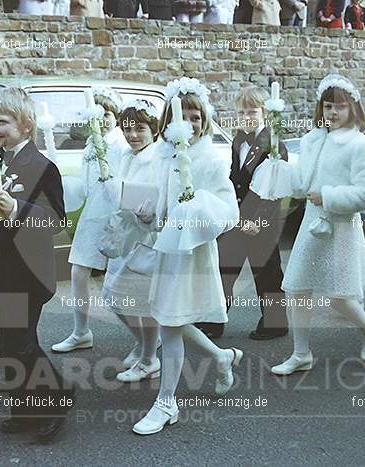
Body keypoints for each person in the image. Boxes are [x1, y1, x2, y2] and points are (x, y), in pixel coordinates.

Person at [0, 87, 74, 442]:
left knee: (22, 344)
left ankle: (56, 399)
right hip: (2, 271)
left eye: (3, 122)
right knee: (8, 345)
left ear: (26, 125)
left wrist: (18, 209)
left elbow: (55, 222)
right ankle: (25, 408)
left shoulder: (42, 167)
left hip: (29, 273)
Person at [251, 74, 365, 376]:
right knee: (298, 288)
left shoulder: (360, 145)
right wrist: (279, 167)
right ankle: (301, 354)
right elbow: (301, 186)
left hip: (340, 229)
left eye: (339, 107)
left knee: (339, 299)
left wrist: (328, 196)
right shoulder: (312, 140)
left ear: (353, 108)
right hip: (311, 226)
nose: (332, 113)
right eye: (327, 107)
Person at [132, 78, 243, 436]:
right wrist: (149, 213)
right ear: (168, 121)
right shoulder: (165, 156)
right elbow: (161, 203)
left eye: (196, 116)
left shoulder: (210, 158)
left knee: (170, 322)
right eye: (183, 116)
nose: (190, 123)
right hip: (167, 250)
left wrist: (195, 210)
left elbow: (229, 210)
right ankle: (221, 357)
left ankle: (166, 402)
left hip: (192, 251)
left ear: (205, 119)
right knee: (172, 319)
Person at [197, 86, 289, 340]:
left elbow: (275, 189)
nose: (246, 116)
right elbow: (234, 179)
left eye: (252, 111)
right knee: (223, 270)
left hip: (263, 221)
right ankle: (214, 320)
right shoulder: (238, 140)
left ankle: (275, 323)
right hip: (236, 217)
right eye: (241, 112)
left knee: (267, 273)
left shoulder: (274, 144)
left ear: (264, 113)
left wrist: (258, 220)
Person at [52, 87, 130, 353]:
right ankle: (81, 331)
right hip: (92, 216)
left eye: (108, 114)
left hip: (117, 219)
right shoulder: (89, 146)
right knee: (78, 272)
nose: (104, 119)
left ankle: (147, 335)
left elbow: (125, 183)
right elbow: (86, 187)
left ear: (116, 116)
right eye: (98, 114)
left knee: (122, 280)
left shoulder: (121, 146)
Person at [102, 100, 162, 382]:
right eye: (127, 129)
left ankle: (149, 357)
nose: (133, 135)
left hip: (148, 240)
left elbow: (159, 203)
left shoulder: (158, 159)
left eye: (140, 129)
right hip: (126, 238)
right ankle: (145, 345)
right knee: (115, 298)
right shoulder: (126, 156)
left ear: (154, 130)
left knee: (133, 301)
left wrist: (144, 212)